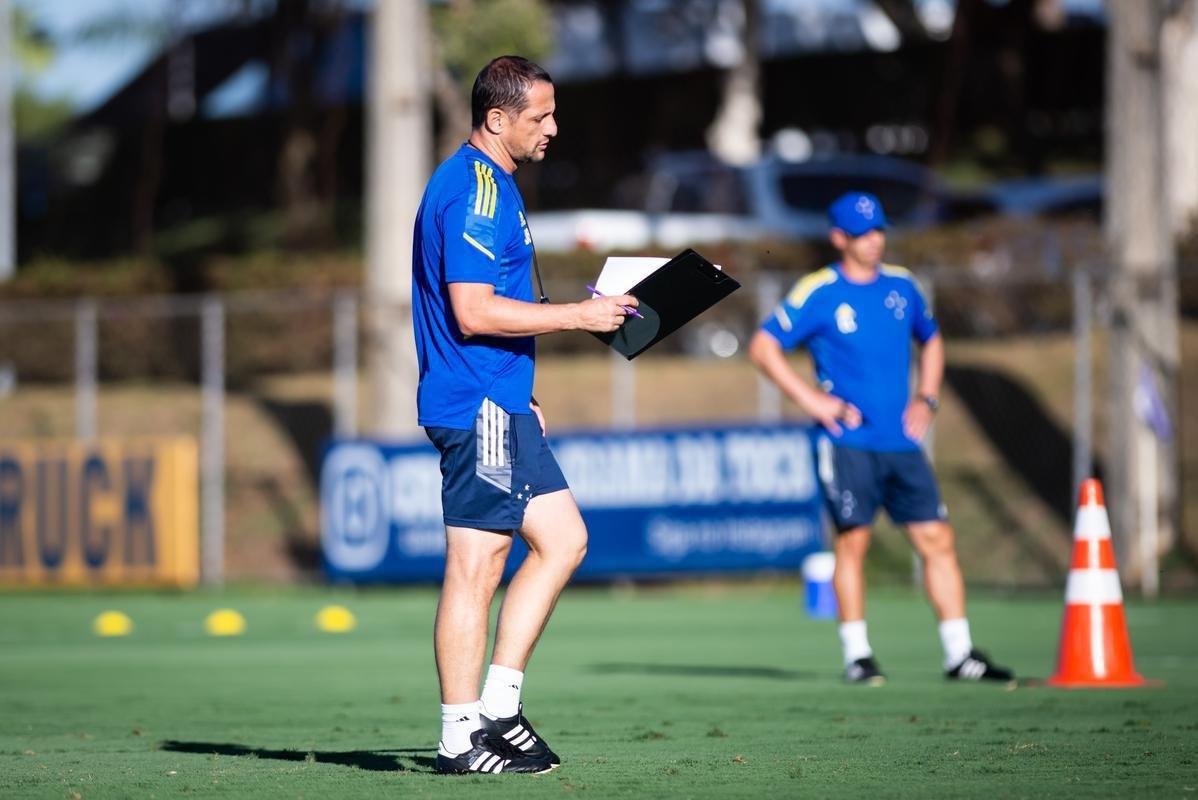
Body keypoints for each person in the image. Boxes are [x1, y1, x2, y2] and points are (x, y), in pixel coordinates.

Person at [411, 55, 637, 775]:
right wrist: (579, 314)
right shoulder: (476, 191)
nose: (553, 128)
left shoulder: (496, 185)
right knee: (477, 567)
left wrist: (522, 390)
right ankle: (457, 739)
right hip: (477, 407)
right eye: (540, 116)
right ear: (496, 119)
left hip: (501, 400)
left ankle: (499, 708)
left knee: (564, 538)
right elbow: (473, 312)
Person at [748, 191, 1013, 686]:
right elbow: (764, 348)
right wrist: (814, 401)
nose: (873, 241)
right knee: (854, 543)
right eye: (862, 233)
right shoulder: (818, 290)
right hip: (847, 442)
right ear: (838, 238)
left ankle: (960, 655)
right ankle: (858, 655)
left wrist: (927, 398)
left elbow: (930, 339)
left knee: (937, 540)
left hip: (902, 443)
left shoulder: (903, 286)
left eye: (878, 231)